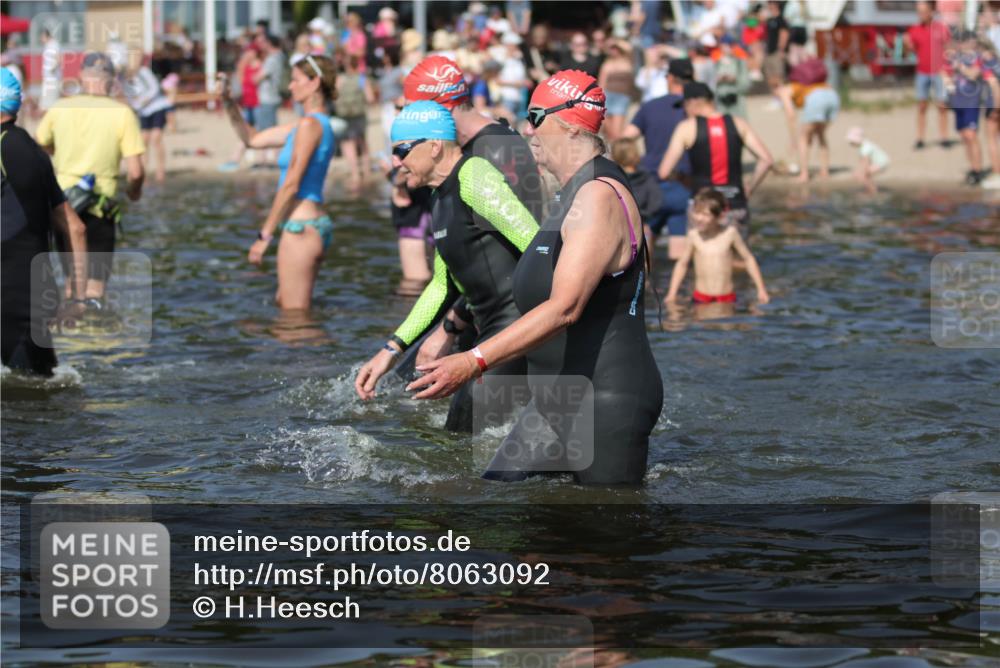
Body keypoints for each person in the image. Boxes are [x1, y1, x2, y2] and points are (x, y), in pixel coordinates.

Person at [407, 71, 663, 486]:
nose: (527, 129)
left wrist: (474, 361)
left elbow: (565, 308)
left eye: (535, 115)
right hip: (554, 400)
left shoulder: (598, 196)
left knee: (599, 537)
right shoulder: (570, 193)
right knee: (496, 500)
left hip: (602, 400)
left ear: (569, 123)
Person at [354, 101, 540, 433]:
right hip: (489, 327)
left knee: (463, 435)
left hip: (516, 326)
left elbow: (538, 248)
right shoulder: (440, 198)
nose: (396, 162)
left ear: (435, 146)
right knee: (453, 432)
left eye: (403, 150)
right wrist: (390, 350)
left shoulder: (474, 176)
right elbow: (442, 285)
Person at [403, 55, 546, 366]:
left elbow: (521, 255)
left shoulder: (496, 151)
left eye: (415, 112)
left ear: (441, 107)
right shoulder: (466, 153)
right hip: (475, 309)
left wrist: (449, 329)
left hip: (505, 320)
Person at [218, 54, 337, 310]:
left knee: (294, 318)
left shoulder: (308, 125)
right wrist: (229, 101)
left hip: (300, 229)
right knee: (288, 304)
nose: (290, 86)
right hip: (313, 225)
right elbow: (252, 139)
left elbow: (291, 183)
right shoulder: (311, 125)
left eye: (295, 80)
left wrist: (265, 234)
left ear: (315, 83)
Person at [36, 52, 145, 304]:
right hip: (99, 205)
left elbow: (39, 145)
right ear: (111, 81)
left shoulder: (59, 108)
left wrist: (58, 152)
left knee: (72, 283)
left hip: (63, 205)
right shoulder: (122, 114)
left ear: (81, 77)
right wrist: (133, 191)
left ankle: (71, 339)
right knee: (95, 289)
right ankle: (95, 340)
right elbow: (136, 171)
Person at [2, 67, 88, 376]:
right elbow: (75, 226)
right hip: (39, 295)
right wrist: (77, 296)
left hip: (7, 298)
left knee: (21, 404)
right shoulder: (35, 152)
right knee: (43, 387)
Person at [657, 82, 773, 237]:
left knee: (704, 256)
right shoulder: (738, 123)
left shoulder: (686, 128)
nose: (684, 111)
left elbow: (664, 172)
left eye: (685, 106)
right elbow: (766, 160)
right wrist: (750, 188)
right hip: (734, 203)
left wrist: (683, 178)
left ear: (693, 103)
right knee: (739, 256)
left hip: (701, 207)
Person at [623, 58, 694, 260]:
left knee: (645, 248)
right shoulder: (693, 110)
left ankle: (648, 286)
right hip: (682, 184)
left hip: (649, 185)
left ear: (669, 78)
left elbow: (626, 138)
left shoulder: (650, 107)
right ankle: (678, 290)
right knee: (678, 255)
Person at [665, 188, 770, 307]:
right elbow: (682, 264)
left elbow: (748, 259)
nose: (699, 218)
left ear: (720, 216)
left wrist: (761, 290)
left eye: (705, 214)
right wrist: (672, 294)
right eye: (696, 212)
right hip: (701, 298)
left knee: (727, 324)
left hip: (727, 298)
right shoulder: (693, 236)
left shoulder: (730, 234)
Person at [905, 1, 953, 150]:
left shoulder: (942, 28)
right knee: (921, 106)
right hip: (922, 72)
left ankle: (944, 137)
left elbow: (949, 50)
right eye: (919, 12)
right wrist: (907, 46)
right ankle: (920, 138)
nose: (921, 15)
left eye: (923, 11)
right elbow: (909, 53)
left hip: (939, 72)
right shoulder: (913, 30)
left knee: (942, 106)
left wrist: (948, 71)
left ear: (931, 11)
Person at [783, 57, 839, 183]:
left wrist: (793, 140)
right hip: (832, 95)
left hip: (816, 100)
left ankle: (804, 174)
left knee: (803, 138)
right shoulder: (812, 83)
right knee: (821, 135)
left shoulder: (785, 89)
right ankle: (824, 172)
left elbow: (791, 115)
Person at [944, 31, 987, 185]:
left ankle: (978, 170)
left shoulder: (978, 58)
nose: (960, 45)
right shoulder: (955, 57)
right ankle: (972, 167)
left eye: (963, 42)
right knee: (963, 135)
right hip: (958, 101)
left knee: (971, 135)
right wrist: (947, 82)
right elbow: (944, 71)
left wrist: (960, 67)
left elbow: (974, 74)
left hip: (971, 102)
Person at [124, 52, 171, 183]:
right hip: (143, 111)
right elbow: (129, 95)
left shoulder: (144, 72)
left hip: (156, 107)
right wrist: (135, 105)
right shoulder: (127, 78)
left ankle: (160, 171)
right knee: (143, 141)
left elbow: (155, 88)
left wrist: (143, 101)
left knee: (156, 138)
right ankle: (143, 171)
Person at [611, 137, 662, 238]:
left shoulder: (611, 177)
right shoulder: (646, 177)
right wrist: (644, 215)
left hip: (615, 224)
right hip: (640, 223)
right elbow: (656, 201)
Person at [336, 54, 373, 187]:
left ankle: (355, 174)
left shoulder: (340, 79)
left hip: (345, 115)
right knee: (363, 143)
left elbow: (335, 96)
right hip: (359, 114)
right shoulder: (362, 79)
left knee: (348, 143)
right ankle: (367, 173)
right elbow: (370, 98)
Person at [598, 39, 636, 141]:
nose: (614, 50)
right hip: (608, 96)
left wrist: (615, 41)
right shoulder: (607, 64)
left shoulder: (628, 61)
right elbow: (602, 84)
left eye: (616, 48)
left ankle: (617, 153)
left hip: (622, 98)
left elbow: (630, 48)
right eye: (611, 48)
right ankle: (611, 153)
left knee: (616, 132)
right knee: (608, 131)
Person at [846, 126, 890, 194]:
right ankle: (871, 189)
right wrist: (859, 170)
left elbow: (865, 162)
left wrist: (861, 173)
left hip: (881, 163)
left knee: (863, 176)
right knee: (865, 175)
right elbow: (862, 161)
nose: (850, 143)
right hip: (880, 162)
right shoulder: (864, 145)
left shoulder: (865, 147)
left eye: (852, 142)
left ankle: (872, 190)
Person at [39, 29, 61, 112]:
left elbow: (59, 58)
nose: (41, 39)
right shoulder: (47, 45)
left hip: (53, 77)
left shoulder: (54, 44)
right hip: (48, 77)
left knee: (52, 99)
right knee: (46, 99)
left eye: (42, 37)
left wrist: (53, 69)